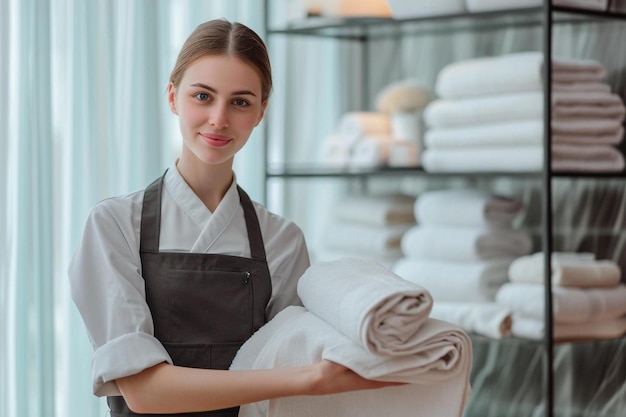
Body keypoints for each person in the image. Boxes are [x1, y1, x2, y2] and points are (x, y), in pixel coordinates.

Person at [69, 18, 398, 417]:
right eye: (203, 96)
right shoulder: (115, 225)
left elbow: (288, 373)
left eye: (240, 101)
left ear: (261, 111)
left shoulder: (282, 239)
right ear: (173, 97)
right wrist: (311, 379)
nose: (219, 119)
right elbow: (143, 391)